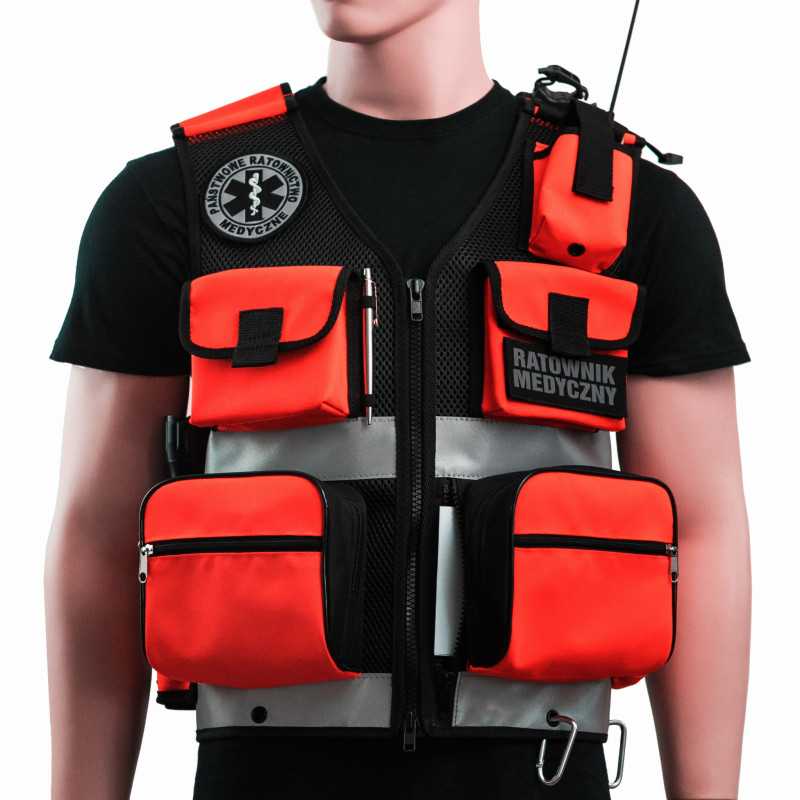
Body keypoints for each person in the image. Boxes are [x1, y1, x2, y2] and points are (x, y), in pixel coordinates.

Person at [46, 1, 751, 798]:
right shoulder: (177, 202)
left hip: (540, 770)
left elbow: (701, 531)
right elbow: (100, 534)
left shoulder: (632, 214)